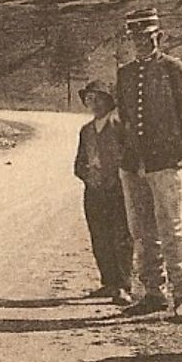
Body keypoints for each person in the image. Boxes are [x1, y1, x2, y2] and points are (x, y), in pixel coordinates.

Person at [115, 6, 182, 322]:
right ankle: (154, 292)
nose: (142, 43)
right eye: (136, 38)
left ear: (159, 37)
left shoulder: (173, 69)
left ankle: (181, 296)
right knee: (141, 229)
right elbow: (125, 119)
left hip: (167, 162)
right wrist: (129, 156)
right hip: (134, 164)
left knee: (173, 229)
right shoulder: (125, 74)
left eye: (148, 37)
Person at [73, 79, 134, 306]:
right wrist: (88, 176)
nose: (95, 104)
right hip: (94, 191)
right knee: (99, 236)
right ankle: (108, 282)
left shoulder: (119, 125)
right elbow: (79, 163)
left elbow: (129, 156)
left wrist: (116, 178)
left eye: (99, 98)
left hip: (118, 190)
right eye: (90, 99)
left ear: (110, 101)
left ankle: (123, 285)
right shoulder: (86, 130)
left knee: (121, 237)